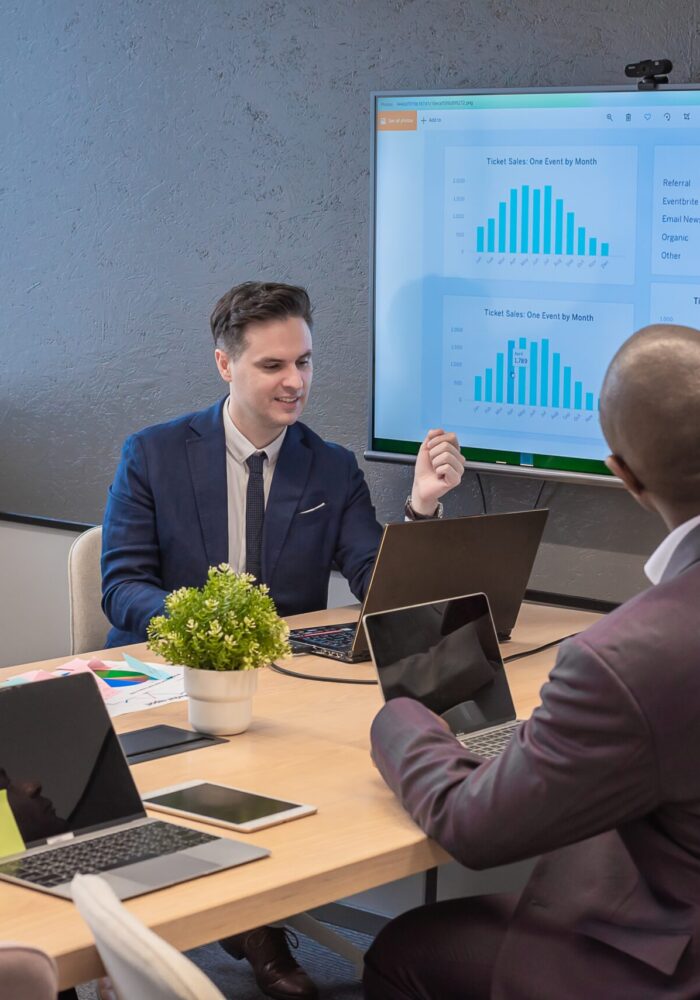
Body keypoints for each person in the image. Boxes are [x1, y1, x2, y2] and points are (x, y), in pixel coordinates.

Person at [101, 280, 465, 1000]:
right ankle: (149, 943)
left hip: (276, 688)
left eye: (303, 361)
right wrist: (213, 627)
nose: (294, 381)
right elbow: (121, 586)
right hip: (170, 680)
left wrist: (421, 507)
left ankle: (258, 923)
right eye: (272, 365)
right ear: (224, 365)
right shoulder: (154, 453)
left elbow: (375, 581)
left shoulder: (328, 465)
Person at [365, 323, 700, 1000]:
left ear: (624, 475)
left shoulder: (625, 660)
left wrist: (401, 716)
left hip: (673, 961)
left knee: (406, 949)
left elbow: (473, 825)